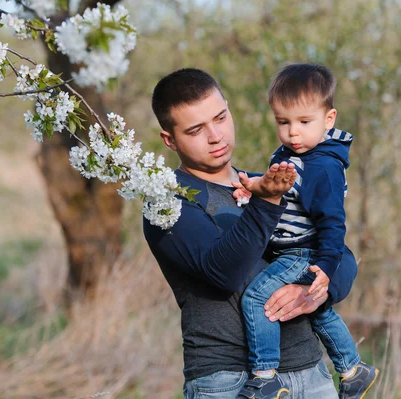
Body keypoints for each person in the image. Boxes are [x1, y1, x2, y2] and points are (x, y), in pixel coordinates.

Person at [145, 68, 360, 399]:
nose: (216, 136)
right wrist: (268, 200)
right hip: (228, 380)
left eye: (220, 118)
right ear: (169, 139)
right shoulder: (168, 205)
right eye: (196, 129)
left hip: (310, 373)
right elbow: (224, 272)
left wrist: (317, 292)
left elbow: (340, 254)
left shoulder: (265, 183)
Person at [232, 63, 378, 399]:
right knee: (319, 311)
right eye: (283, 123)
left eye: (303, 122)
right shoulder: (297, 155)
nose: (292, 133)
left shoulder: (322, 166)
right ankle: (353, 370)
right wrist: (252, 186)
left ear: (329, 119)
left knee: (257, 297)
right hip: (296, 250)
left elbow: (332, 222)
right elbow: (281, 184)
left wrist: (326, 267)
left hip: (304, 252)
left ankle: (266, 376)